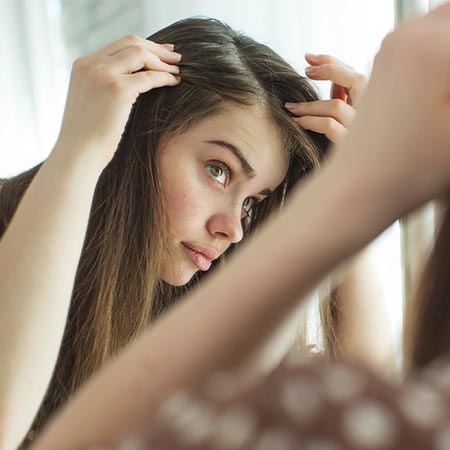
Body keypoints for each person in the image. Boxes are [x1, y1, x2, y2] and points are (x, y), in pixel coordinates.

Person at [19, 3, 450, 449]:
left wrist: (356, 200)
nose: (234, 229)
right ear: (134, 131)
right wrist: (77, 151)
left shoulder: (208, 315)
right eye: (218, 170)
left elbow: (367, 414)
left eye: (252, 204)